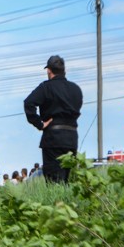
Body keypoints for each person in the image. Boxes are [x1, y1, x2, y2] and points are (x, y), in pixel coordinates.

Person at [24, 55, 83, 183]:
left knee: (53, 181)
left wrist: (39, 124)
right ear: (64, 70)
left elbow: (28, 103)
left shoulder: (46, 87)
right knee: (68, 179)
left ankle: (56, 202)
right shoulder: (76, 89)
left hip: (53, 138)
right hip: (72, 137)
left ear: (49, 70)